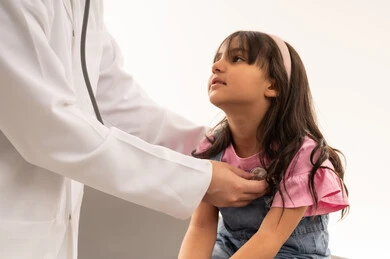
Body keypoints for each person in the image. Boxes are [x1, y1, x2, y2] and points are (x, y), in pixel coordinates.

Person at [0, 2, 269, 259]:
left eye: (237, 59)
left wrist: (223, 148)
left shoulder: (86, 8)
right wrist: (199, 178)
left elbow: (117, 103)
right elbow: (46, 127)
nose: (217, 66)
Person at [178, 30, 349, 259]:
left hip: (290, 253)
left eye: (237, 58)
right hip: (230, 248)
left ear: (273, 85)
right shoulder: (212, 148)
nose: (216, 66)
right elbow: (200, 228)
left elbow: (270, 238)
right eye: (216, 59)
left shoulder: (302, 155)